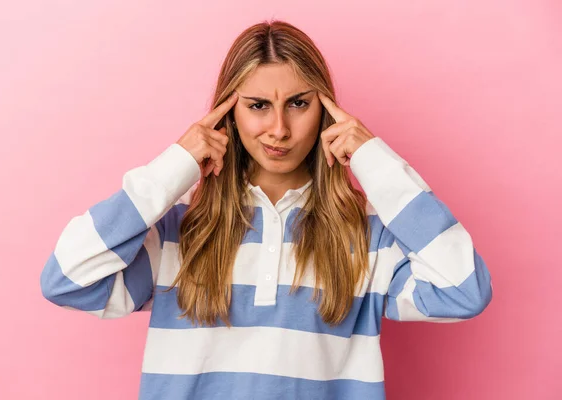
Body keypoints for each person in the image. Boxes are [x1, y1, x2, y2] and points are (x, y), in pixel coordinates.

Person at [40, 19, 493, 400]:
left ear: (327, 111)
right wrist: (174, 166)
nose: (279, 129)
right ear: (227, 114)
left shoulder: (370, 234)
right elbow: (67, 279)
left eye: (298, 103)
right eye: (258, 106)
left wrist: (376, 161)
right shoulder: (179, 227)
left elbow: (464, 291)